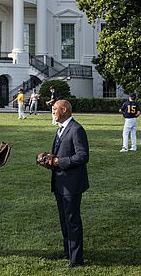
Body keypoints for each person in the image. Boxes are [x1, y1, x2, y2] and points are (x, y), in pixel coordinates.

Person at [48, 100, 89, 267]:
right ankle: (68, 252)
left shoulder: (76, 129)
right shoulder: (61, 129)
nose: (52, 112)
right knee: (64, 220)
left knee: (72, 220)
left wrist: (59, 161)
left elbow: (83, 156)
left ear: (64, 110)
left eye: (55, 109)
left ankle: (76, 259)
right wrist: (49, 160)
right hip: (60, 183)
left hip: (71, 184)